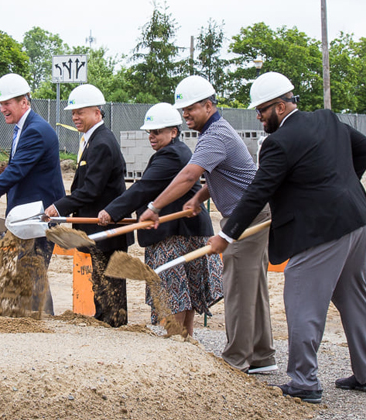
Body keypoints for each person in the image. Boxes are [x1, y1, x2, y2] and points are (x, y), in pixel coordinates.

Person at [208, 72, 366, 404]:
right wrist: (342, 185)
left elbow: (258, 192)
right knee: (354, 297)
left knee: (302, 302)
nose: (258, 118)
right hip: (357, 221)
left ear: (280, 106)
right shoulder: (326, 120)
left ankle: (304, 381)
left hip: (321, 232)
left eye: (261, 111)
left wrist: (226, 236)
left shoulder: (279, 143)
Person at [138, 75, 276, 374]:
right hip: (250, 214)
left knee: (238, 287)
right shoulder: (216, 133)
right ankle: (262, 356)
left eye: (190, 109)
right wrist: (200, 196)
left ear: (209, 105)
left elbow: (189, 175)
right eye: (182, 110)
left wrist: (154, 206)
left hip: (245, 218)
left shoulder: (216, 136)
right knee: (253, 289)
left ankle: (236, 359)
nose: (185, 114)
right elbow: (222, 176)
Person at [98, 103, 222, 335]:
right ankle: (185, 340)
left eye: (157, 132)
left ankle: (177, 340)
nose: (151, 137)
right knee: (185, 291)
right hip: (187, 230)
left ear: (173, 131)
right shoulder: (179, 151)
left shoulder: (171, 155)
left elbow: (143, 189)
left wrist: (111, 212)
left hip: (174, 233)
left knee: (173, 291)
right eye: (150, 132)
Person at [0, 73, 65, 315]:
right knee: (30, 269)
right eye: (1, 104)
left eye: (7, 103)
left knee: (32, 268)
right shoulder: (24, 128)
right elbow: (19, 168)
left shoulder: (36, 130)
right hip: (27, 216)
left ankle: (41, 320)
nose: (2, 109)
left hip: (39, 216)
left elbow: (17, 171)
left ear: (24, 102)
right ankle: (37, 318)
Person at [44, 84, 129, 326]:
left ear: (97, 113)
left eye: (80, 112)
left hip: (106, 229)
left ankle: (113, 326)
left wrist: (59, 207)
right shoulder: (93, 140)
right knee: (101, 280)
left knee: (109, 281)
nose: (75, 117)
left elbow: (91, 190)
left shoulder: (101, 142)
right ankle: (104, 320)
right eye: (73, 113)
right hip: (98, 229)